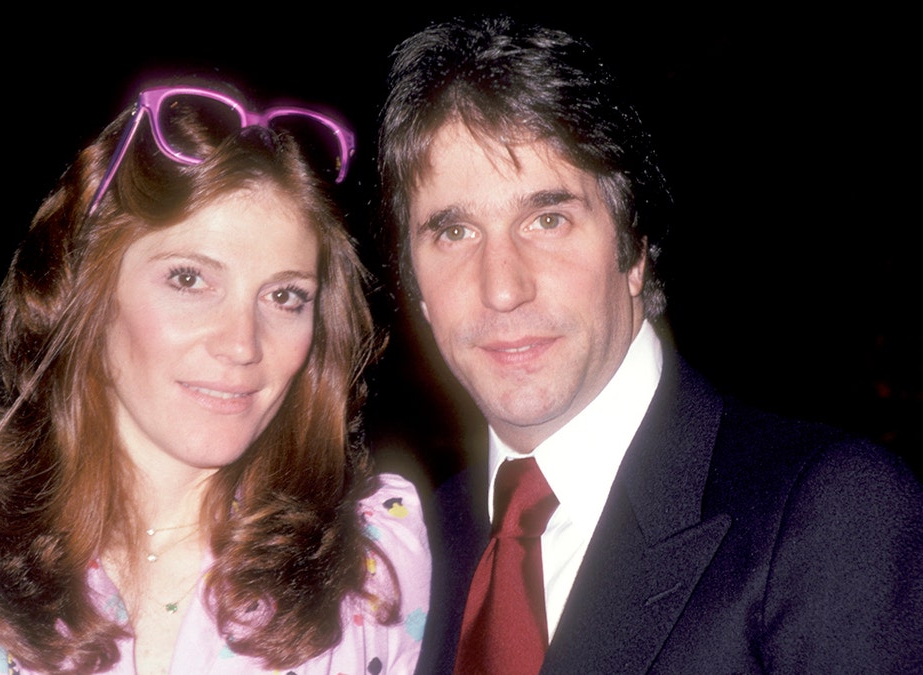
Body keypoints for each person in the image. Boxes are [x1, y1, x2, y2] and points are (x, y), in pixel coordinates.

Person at [0, 81, 430, 674]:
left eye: (286, 297)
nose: (243, 344)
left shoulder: (372, 565)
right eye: (189, 279)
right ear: (88, 297)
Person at [376, 16, 922, 675]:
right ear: (418, 288)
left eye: (547, 219)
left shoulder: (830, 515)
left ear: (634, 250)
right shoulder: (407, 554)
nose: (501, 289)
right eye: (455, 232)